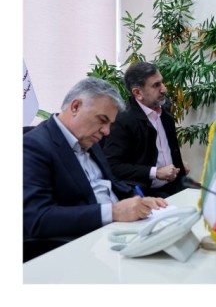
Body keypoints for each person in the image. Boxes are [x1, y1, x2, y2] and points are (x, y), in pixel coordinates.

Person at [24, 78, 167, 242]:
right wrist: (113, 212)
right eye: (102, 120)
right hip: (86, 241)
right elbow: (37, 218)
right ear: (75, 107)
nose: (106, 131)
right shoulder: (32, 147)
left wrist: (139, 200)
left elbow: (111, 183)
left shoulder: (88, 138)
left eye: (110, 124)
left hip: (122, 229)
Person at [102, 62, 187, 197]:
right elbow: (114, 166)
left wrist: (179, 166)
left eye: (162, 82)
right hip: (146, 194)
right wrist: (155, 172)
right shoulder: (122, 120)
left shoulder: (165, 106)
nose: (164, 89)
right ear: (137, 93)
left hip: (176, 185)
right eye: (156, 85)